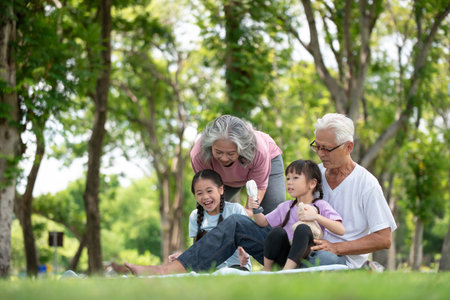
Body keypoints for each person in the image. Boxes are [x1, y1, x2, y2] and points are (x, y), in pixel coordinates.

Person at [125, 113, 396, 275]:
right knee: (236, 223)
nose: (320, 154)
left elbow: (384, 238)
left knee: (322, 256)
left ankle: (353, 273)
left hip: (332, 258)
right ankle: (167, 271)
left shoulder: (366, 184)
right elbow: (285, 216)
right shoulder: (315, 175)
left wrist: (337, 246)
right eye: (317, 147)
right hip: (294, 252)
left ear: (348, 147)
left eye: (327, 149)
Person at [125, 169, 250, 275]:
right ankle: (155, 272)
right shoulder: (195, 216)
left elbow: (247, 240)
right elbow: (199, 250)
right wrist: (184, 256)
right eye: (199, 193)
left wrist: (242, 251)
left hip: (236, 267)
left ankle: (157, 271)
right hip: (209, 269)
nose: (205, 197)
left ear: (221, 190)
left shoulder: (235, 209)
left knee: (225, 273)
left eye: (209, 191)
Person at [248, 160, 345, 271]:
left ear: (312, 183)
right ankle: (267, 269)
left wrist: (316, 216)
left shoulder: (321, 205)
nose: (289, 182)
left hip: (307, 255)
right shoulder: (285, 207)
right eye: (288, 178)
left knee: (302, 229)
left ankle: (287, 271)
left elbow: (340, 230)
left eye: (295, 178)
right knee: (276, 232)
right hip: (286, 255)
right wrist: (255, 208)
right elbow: (263, 222)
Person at [190, 115, 285, 214]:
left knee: (273, 209)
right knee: (212, 210)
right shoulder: (198, 154)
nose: (224, 158)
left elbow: (258, 187)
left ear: (241, 149)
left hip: (267, 162)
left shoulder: (259, 151)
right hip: (221, 179)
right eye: (218, 152)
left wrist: (247, 213)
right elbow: (205, 188)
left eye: (230, 153)